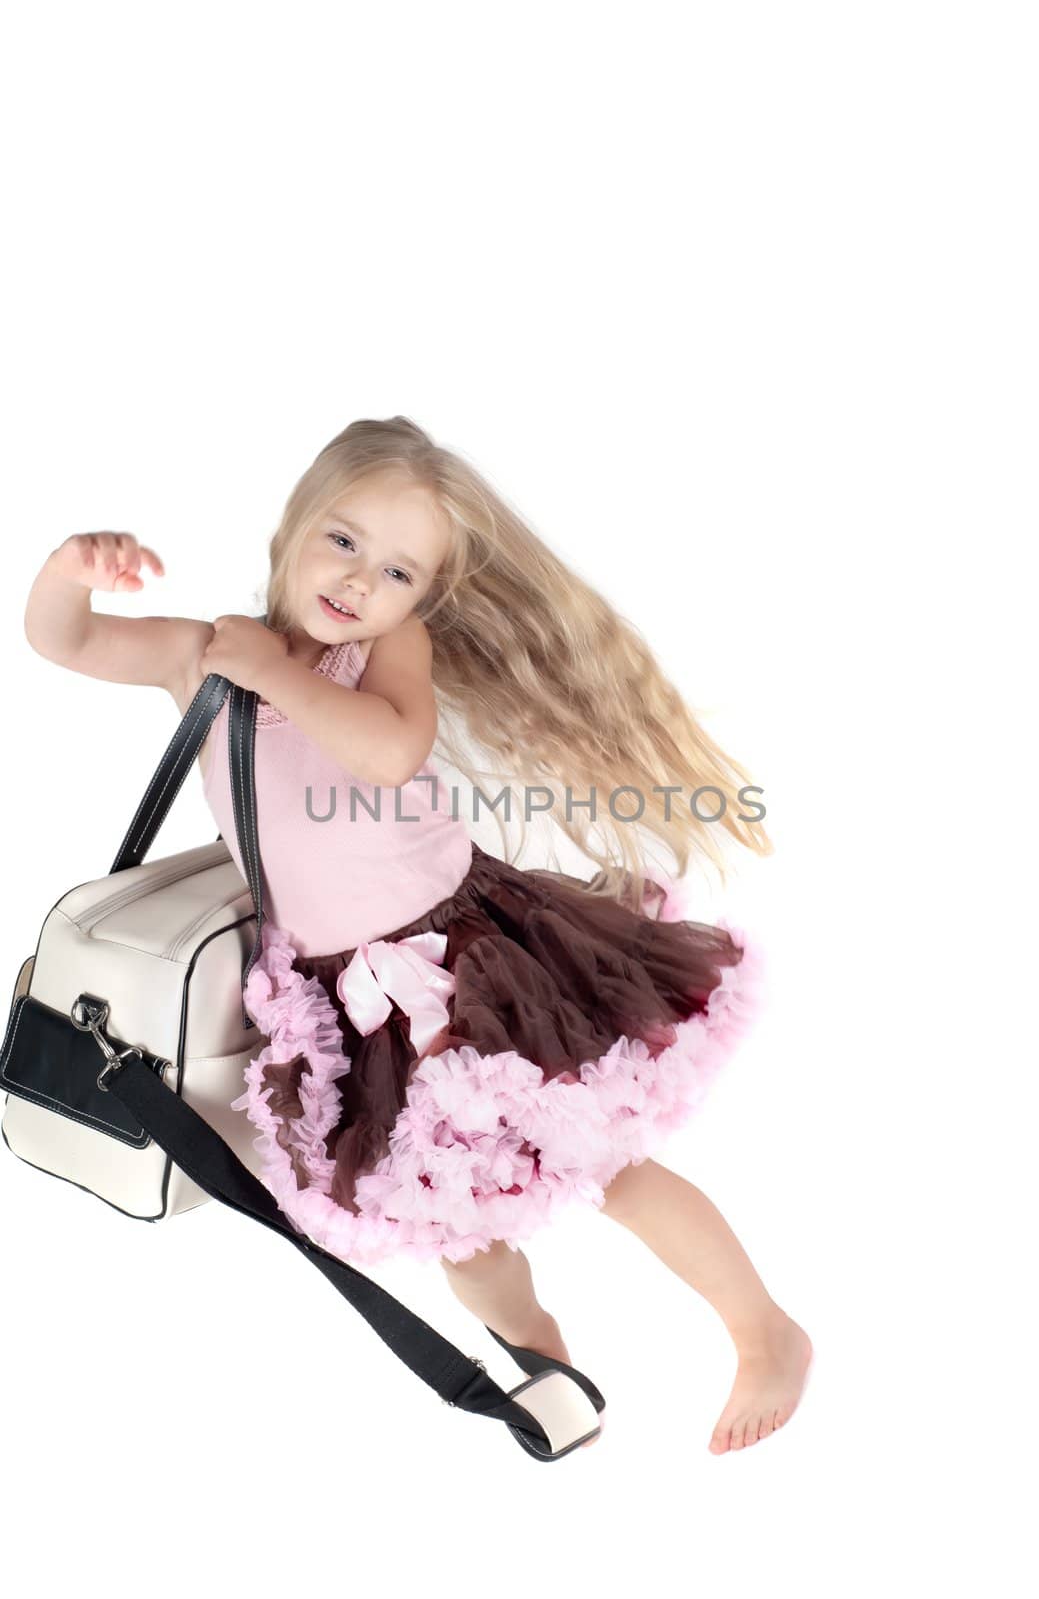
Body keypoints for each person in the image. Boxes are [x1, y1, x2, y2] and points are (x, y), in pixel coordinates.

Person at [23, 415, 812, 1454]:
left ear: (418, 600)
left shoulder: (380, 651)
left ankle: (764, 1330)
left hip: (479, 956)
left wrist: (275, 670)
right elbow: (63, 639)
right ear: (295, 522)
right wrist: (70, 568)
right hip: (354, 1001)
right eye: (343, 541)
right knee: (458, 1228)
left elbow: (389, 750)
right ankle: (540, 1344)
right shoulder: (206, 657)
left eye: (396, 572)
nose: (358, 582)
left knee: (609, 1167)